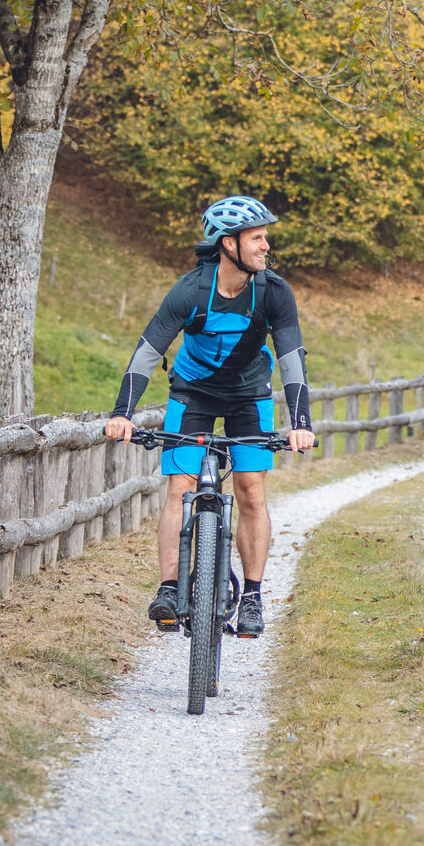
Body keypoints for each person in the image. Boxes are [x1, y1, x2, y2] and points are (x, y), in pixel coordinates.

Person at [103, 196, 316, 638]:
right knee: (179, 489)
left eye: (264, 236)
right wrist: (122, 414)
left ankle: (253, 597)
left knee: (252, 492)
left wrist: (301, 423)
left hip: (249, 395)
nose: (266, 245)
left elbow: (292, 358)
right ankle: (168, 586)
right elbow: (148, 352)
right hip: (192, 393)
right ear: (228, 243)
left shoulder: (273, 291)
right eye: (257, 237)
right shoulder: (190, 290)